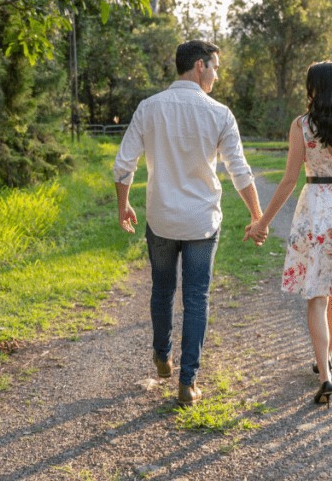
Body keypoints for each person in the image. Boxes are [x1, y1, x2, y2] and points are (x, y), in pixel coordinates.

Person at [113, 40, 265, 408]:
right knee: (196, 298)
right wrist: (257, 216)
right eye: (214, 68)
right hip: (200, 223)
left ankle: (162, 356)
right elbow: (238, 170)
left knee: (163, 289)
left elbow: (123, 164)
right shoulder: (220, 114)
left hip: (162, 219)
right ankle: (188, 382)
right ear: (199, 66)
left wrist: (124, 206)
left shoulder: (149, 108)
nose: (215, 76)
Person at [244, 60, 332, 405]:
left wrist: (263, 222)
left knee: (316, 296)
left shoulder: (302, 126)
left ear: (314, 88)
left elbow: (289, 179)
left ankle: (325, 372)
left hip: (316, 208)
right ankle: (326, 360)